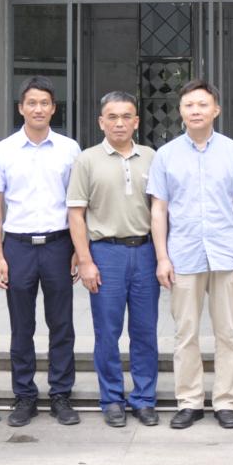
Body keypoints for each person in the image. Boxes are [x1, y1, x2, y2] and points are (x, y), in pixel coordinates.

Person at [147, 79, 233, 430]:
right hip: (183, 255)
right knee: (186, 334)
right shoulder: (166, 155)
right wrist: (162, 257)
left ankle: (226, 401)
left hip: (225, 254)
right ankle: (189, 401)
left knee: (228, 333)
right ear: (181, 111)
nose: (195, 111)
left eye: (202, 104)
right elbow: (158, 210)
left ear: (216, 110)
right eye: (189, 105)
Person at [0, 76, 83, 428]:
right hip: (18, 247)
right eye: (31, 103)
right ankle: (24, 395)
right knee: (21, 326)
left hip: (59, 244)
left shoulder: (70, 149)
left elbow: (78, 203)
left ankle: (61, 394)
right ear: (21, 108)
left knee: (62, 324)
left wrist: (79, 250)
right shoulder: (3, 150)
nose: (38, 108)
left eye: (44, 103)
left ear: (53, 108)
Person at [68, 90, 161, 428]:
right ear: (101, 122)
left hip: (146, 252)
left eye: (126, 117)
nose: (119, 123)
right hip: (105, 253)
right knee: (107, 332)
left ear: (136, 121)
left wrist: (163, 256)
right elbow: (76, 214)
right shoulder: (87, 160)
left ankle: (144, 399)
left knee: (145, 330)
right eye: (112, 117)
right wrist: (85, 260)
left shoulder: (152, 157)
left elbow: (161, 210)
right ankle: (111, 399)